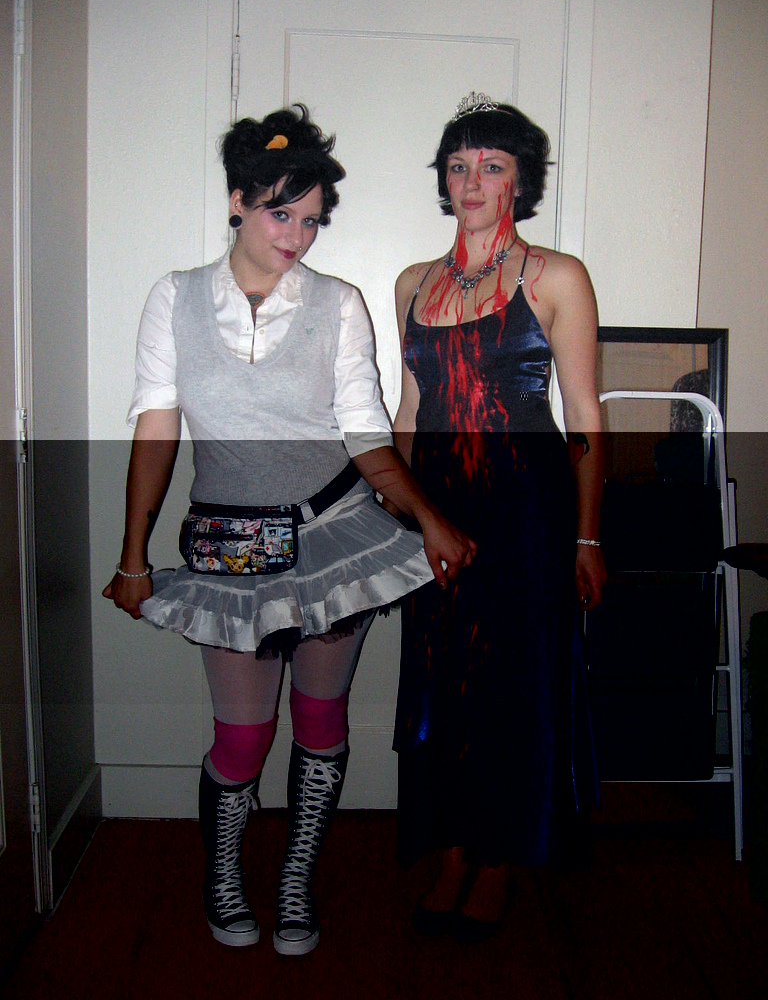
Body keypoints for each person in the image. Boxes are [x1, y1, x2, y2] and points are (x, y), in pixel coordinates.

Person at [103, 105, 474, 957]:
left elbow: (367, 434)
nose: (298, 237)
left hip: (334, 536)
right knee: (242, 735)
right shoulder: (175, 297)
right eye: (281, 214)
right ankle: (223, 873)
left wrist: (429, 521)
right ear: (237, 200)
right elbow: (156, 431)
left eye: (311, 220)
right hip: (230, 544)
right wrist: (132, 557)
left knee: (320, 719)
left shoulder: (338, 304)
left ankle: (298, 873)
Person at [391, 92, 606, 943]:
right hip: (437, 505)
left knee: (514, 685)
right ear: (443, 180)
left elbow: (584, 414)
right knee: (442, 683)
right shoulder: (412, 283)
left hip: (526, 509)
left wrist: (587, 536)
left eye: (492, 165)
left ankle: (500, 858)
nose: (472, 181)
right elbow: (409, 413)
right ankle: (451, 850)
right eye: (458, 166)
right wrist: (401, 517)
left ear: (521, 181)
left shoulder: (557, 277)